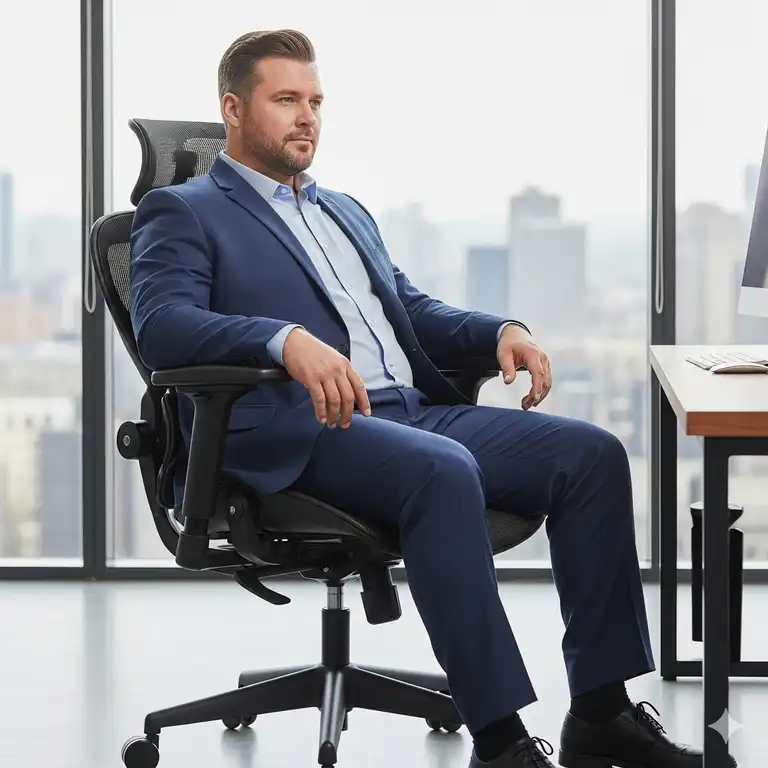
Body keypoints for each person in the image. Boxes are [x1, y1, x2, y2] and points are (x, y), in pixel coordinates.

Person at [130, 29, 736, 768]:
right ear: (233, 108)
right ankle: (502, 741)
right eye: (285, 99)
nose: (307, 117)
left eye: (315, 101)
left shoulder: (343, 210)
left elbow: (409, 311)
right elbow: (162, 326)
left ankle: (602, 712)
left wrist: (498, 331)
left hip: (411, 412)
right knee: (443, 469)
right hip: (305, 426)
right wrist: (280, 339)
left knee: (590, 455)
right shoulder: (184, 209)